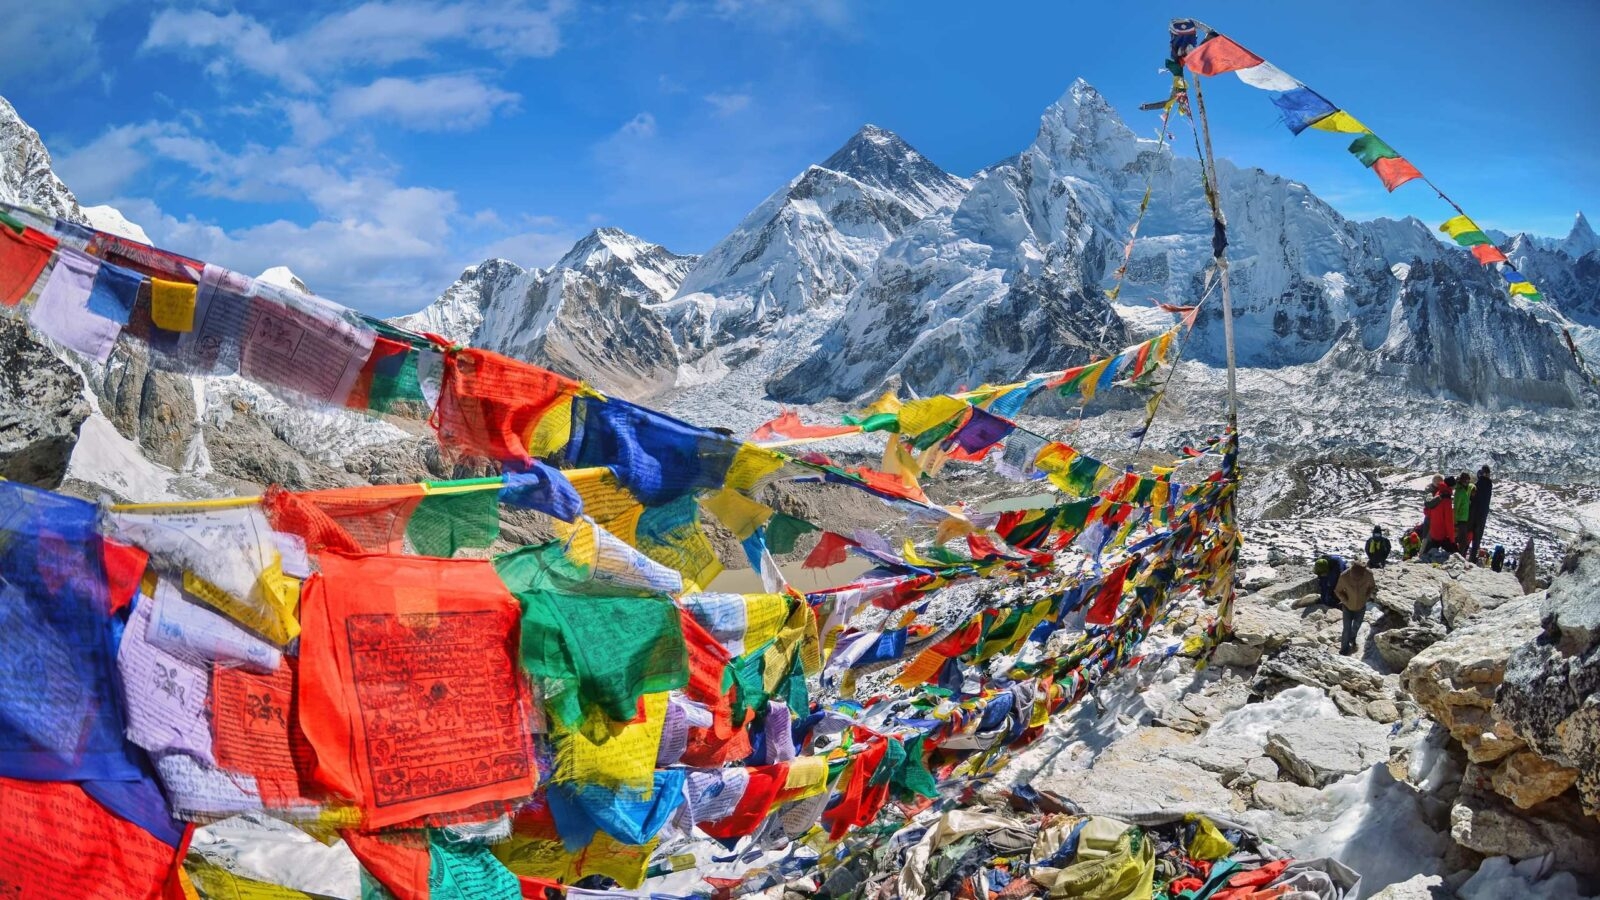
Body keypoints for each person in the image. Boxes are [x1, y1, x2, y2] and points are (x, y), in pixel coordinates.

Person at [1335, 561, 1376, 655]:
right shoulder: (1344, 576)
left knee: (1357, 625)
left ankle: (1352, 639)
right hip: (1347, 607)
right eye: (1354, 577)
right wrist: (1345, 600)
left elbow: (1372, 586)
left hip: (1361, 606)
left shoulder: (1368, 574)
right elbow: (1338, 590)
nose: (1356, 579)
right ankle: (1344, 650)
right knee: (1346, 629)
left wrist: (1366, 596)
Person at [1423, 479, 1456, 560]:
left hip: (1434, 529)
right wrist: (1452, 539)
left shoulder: (1438, 493)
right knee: (1454, 553)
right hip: (1441, 533)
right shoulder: (1447, 498)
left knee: (1428, 553)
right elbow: (1449, 521)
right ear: (1451, 487)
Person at [1469, 465, 1494, 562]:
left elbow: (1472, 497)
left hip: (1474, 512)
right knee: (1477, 537)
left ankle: (1463, 553)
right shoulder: (1489, 485)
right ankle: (1472, 557)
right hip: (1483, 514)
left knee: (1469, 533)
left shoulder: (1478, 484)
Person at [1453, 472, 1474, 559]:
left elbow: (1471, 486)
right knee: (1462, 541)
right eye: (1466, 481)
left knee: (1462, 541)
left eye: (1468, 481)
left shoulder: (1465, 490)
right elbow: (1456, 506)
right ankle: (1458, 557)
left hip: (1464, 518)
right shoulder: (1459, 492)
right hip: (1460, 519)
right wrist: (1454, 521)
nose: (1468, 482)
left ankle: (1459, 556)